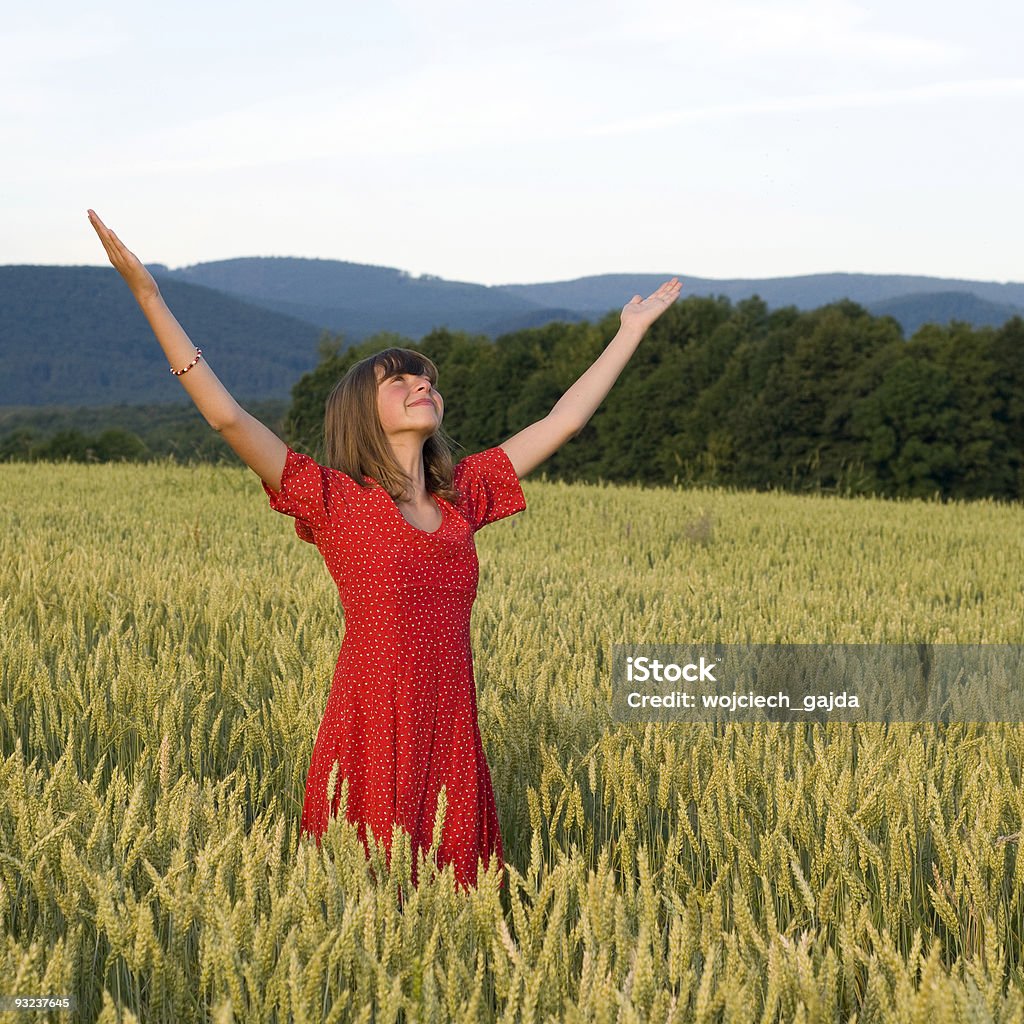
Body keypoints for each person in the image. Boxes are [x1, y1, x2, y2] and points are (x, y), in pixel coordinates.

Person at [87, 208, 682, 892]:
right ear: (362, 413)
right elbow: (226, 415)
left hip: (453, 732)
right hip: (370, 731)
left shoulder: (465, 494)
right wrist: (149, 296)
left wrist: (628, 332)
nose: (420, 385)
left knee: (457, 916)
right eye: (397, 381)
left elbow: (564, 420)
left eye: (425, 378)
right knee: (361, 903)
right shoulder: (335, 499)